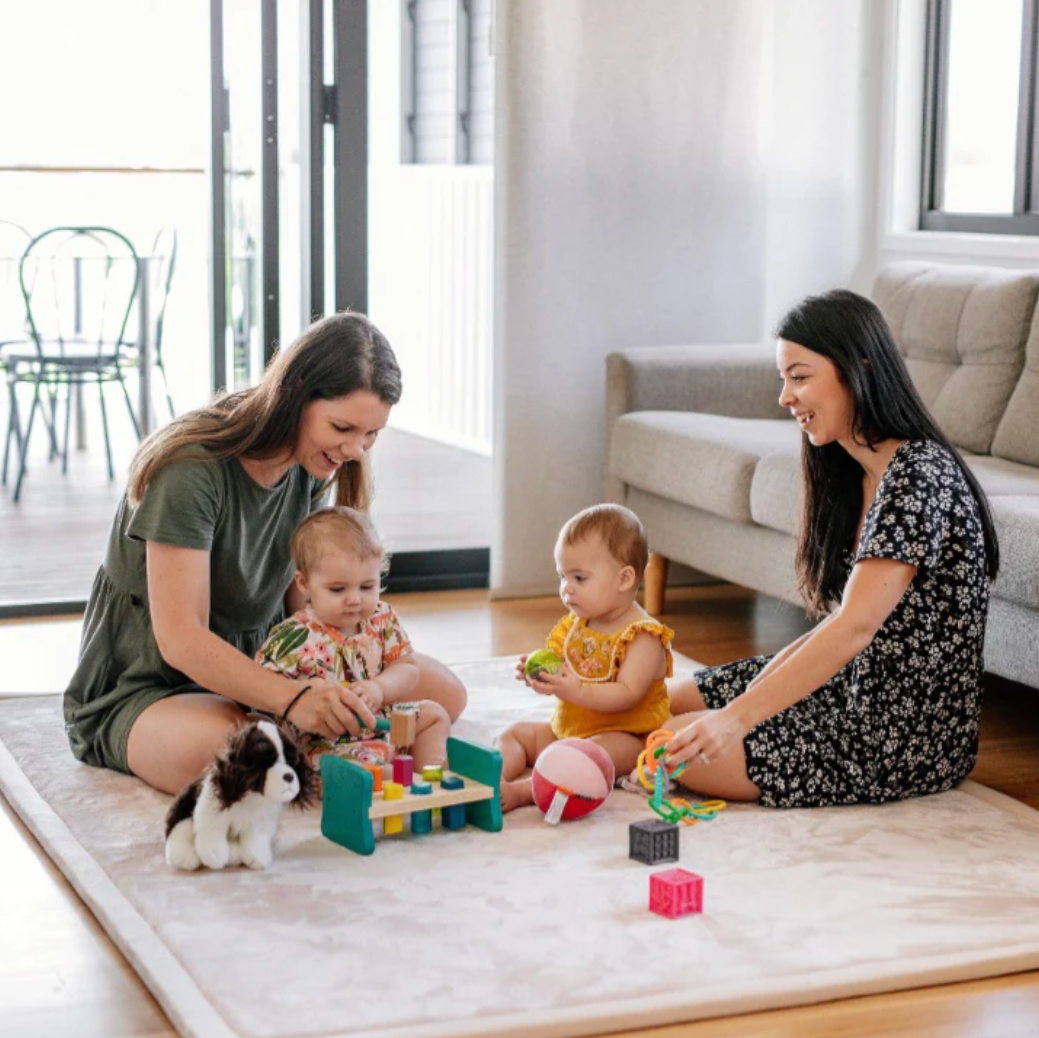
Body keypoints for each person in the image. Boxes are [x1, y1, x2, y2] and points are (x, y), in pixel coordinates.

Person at [64, 311, 467, 796]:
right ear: (296, 391)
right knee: (243, 752)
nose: (356, 449)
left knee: (444, 693)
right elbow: (181, 640)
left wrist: (347, 674)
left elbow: (305, 604)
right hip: (154, 682)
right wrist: (295, 699)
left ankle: (318, 741)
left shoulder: (311, 463)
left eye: (371, 434)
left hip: (265, 663)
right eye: (343, 427)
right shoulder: (191, 470)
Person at [664, 289, 999, 809]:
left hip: (897, 739)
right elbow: (840, 622)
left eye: (799, 377)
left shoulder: (919, 474)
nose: (785, 397)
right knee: (664, 701)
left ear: (857, 369)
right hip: (846, 689)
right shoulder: (854, 470)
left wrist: (737, 717)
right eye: (785, 379)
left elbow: (855, 626)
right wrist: (746, 701)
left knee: (671, 747)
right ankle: (541, 748)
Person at [496, 504, 674, 812]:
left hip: (625, 737)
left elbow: (627, 695)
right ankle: (492, 778)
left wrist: (575, 689)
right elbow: (559, 667)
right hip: (566, 728)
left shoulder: (643, 636)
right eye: (562, 576)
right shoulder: (577, 623)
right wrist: (540, 675)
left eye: (579, 578)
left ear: (624, 578)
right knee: (514, 734)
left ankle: (525, 791)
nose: (567, 589)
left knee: (583, 759)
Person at [255, 506, 449, 769]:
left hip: (383, 723)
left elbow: (407, 668)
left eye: (367, 586)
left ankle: (429, 775)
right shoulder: (292, 637)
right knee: (332, 765)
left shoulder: (381, 618)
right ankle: (374, 778)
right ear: (304, 583)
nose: (355, 599)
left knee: (434, 715)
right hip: (326, 743)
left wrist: (379, 687)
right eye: (338, 589)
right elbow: (265, 694)